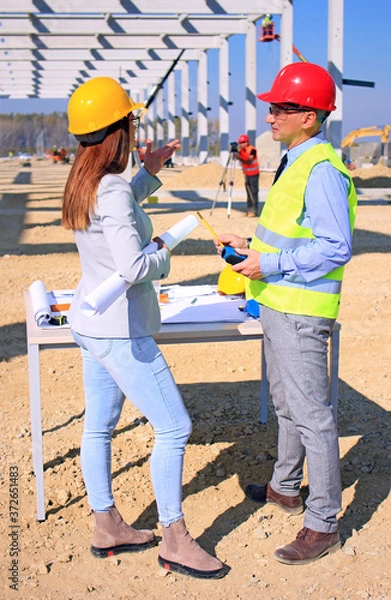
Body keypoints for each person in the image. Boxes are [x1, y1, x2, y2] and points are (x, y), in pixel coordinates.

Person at [62, 76, 226, 580]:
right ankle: (175, 538)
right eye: (132, 122)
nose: (136, 130)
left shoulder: (85, 181)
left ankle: (106, 524)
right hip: (121, 329)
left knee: (99, 426)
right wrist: (164, 254)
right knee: (175, 427)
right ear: (119, 130)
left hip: (91, 320)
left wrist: (148, 173)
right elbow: (133, 265)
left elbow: (117, 210)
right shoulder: (108, 188)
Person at [214, 62, 357, 565]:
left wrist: (268, 262)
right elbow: (289, 233)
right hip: (277, 302)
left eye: (283, 108)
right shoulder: (295, 161)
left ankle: (322, 523)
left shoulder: (320, 169)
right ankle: (285, 486)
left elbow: (335, 246)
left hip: (300, 310)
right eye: (272, 106)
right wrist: (248, 245)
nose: (271, 116)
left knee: (313, 416)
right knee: (286, 404)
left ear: (311, 118)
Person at [235, 134, 260, 217]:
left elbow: (249, 161)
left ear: (246, 142)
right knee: (249, 193)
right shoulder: (241, 151)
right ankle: (249, 210)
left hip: (254, 174)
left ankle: (254, 211)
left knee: (254, 193)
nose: (241, 144)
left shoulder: (252, 150)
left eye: (243, 142)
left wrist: (239, 158)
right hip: (247, 175)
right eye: (240, 143)